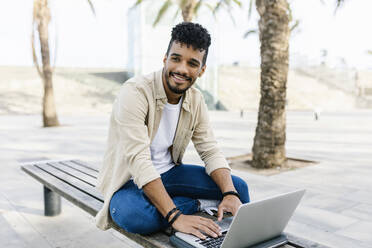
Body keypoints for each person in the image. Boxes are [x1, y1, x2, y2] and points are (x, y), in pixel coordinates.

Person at [95, 22, 250, 240]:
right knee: (136, 216)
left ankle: (170, 202)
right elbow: (139, 161)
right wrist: (175, 216)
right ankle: (193, 204)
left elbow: (210, 150)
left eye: (192, 63)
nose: (181, 69)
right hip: (128, 181)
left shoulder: (196, 100)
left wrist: (229, 193)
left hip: (169, 173)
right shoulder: (135, 92)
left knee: (238, 190)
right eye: (176, 58)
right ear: (165, 58)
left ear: (202, 70)